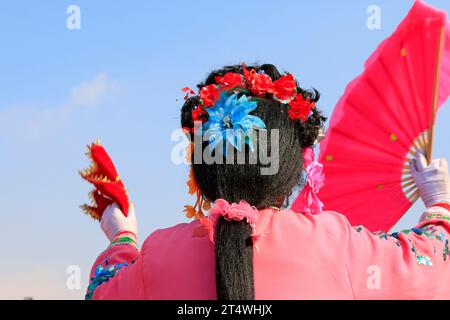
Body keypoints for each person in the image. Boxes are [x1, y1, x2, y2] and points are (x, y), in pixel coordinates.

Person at [85, 64, 450, 300]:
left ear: (200, 170)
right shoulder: (336, 245)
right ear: (298, 167)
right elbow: (432, 264)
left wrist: (123, 237)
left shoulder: (157, 255)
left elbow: (101, 294)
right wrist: (439, 201)